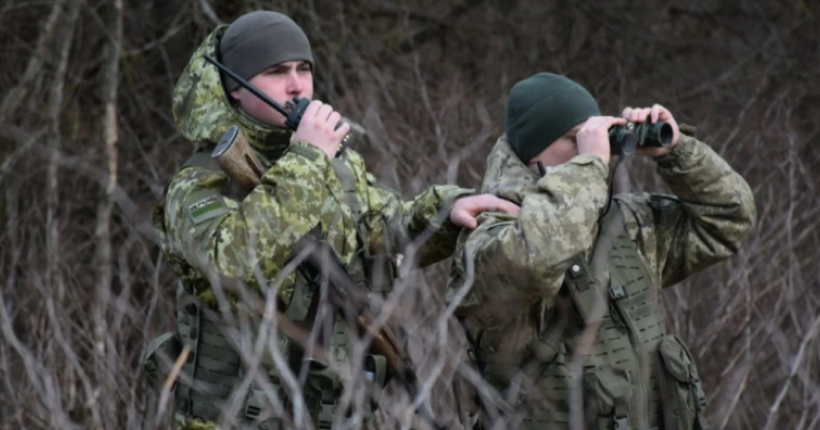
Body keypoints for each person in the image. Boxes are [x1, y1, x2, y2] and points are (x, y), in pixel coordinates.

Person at [146, 10, 518, 430]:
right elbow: (231, 264)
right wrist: (307, 157)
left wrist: (446, 213)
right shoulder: (200, 183)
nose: (296, 85)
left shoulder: (331, 163)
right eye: (275, 71)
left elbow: (381, 228)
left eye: (304, 68)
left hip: (333, 410)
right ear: (236, 87)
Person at [446, 72, 756, 430]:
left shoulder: (628, 224)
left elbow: (730, 219)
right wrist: (589, 166)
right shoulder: (489, 235)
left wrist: (677, 152)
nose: (595, 150)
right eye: (574, 138)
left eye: (595, 138)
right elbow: (539, 257)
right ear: (532, 152)